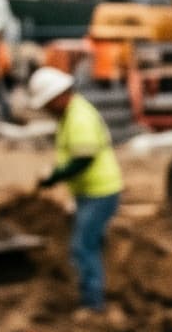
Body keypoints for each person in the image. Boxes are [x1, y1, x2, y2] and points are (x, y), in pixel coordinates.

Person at [26, 65, 122, 315]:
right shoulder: (71, 114)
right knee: (90, 243)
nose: (47, 109)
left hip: (99, 192)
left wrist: (55, 176)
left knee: (83, 247)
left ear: (58, 96)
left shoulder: (79, 117)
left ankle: (93, 305)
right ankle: (97, 291)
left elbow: (83, 158)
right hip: (89, 191)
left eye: (47, 103)